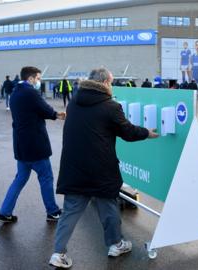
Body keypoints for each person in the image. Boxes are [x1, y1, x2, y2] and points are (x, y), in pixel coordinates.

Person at [49, 68, 158, 268]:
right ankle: (116, 244)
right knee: (108, 206)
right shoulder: (110, 106)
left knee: (71, 212)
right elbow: (128, 131)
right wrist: (147, 133)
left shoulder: (74, 101)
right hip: (101, 168)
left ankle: (58, 253)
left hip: (74, 167)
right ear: (106, 82)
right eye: (111, 82)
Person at [0, 66, 66, 224]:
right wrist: (57, 115)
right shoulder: (30, 92)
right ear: (30, 78)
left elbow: (35, 111)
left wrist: (53, 114)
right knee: (46, 177)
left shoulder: (15, 92)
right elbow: (45, 109)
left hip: (21, 144)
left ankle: (5, 211)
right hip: (35, 145)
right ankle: (53, 211)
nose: (39, 81)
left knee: (20, 178)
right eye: (38, 78)